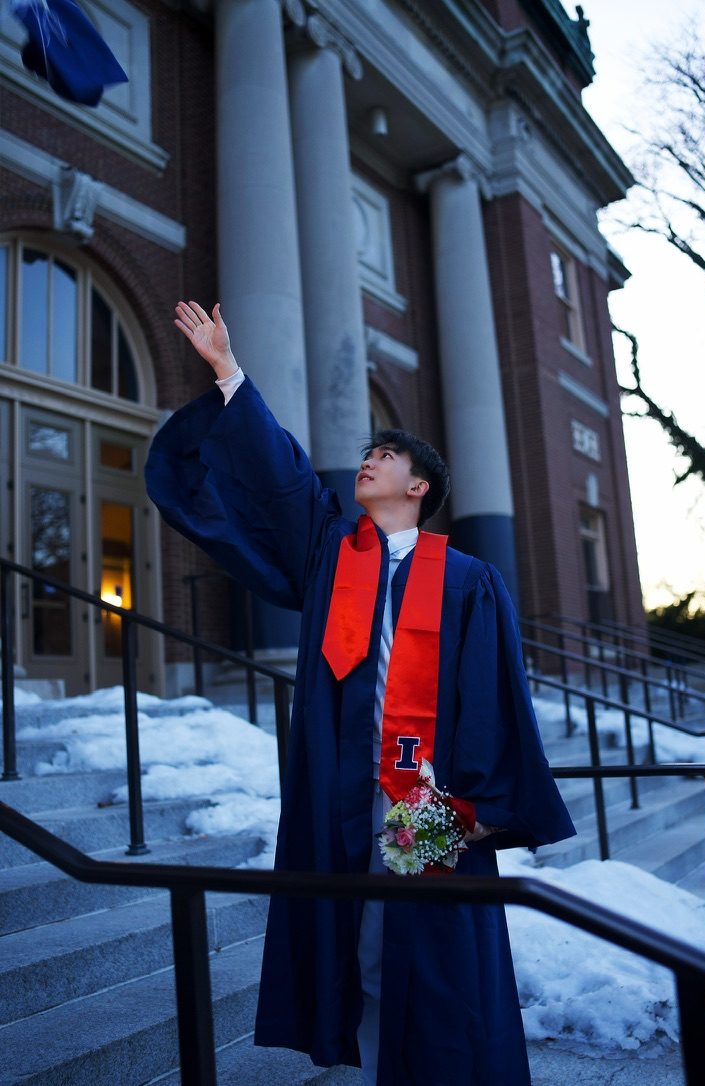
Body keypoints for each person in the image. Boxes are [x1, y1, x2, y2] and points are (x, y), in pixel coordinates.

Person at [145, 300, 576, 1086]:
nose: (367, 461)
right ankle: (381, 1070)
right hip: (344, 789)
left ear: (419, 486)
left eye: (384, 455)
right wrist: (228, 373)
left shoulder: (469, 581)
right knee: (364, 944)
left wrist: (472, 805)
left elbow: (491, 699)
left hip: (428, 795)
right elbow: (280, 482)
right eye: (368, 452)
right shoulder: (333, 557)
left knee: (440, 957)